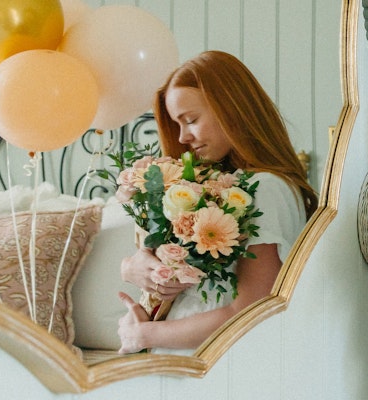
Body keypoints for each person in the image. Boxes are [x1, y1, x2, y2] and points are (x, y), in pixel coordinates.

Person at [116, 50, 318, 354]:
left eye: (191, 120)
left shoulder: (264, 189)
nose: (182, 137)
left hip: (218, 362)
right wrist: (134, 266)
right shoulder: (225, 186)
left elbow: (252, 310)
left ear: (231, 109)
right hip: (196, 356)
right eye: (177, 124)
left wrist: (145, 335)